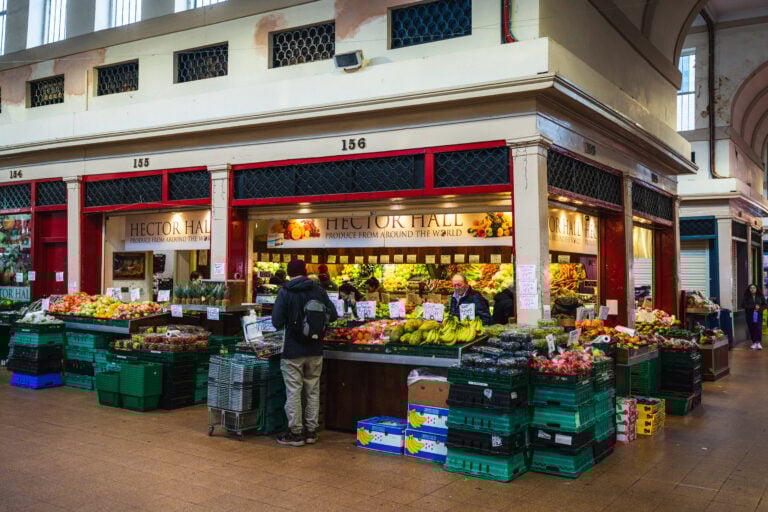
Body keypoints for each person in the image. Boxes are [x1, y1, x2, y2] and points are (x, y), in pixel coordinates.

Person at [271, 259, 338, 446]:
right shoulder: (318, 290)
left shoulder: (285, 292)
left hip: (292, 350)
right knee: (312, 390)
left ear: (288, 273)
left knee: (293, 391)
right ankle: (311, 431)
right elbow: (333, 315)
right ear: (306, 271)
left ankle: (296, 432)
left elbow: (276, 321)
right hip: (315, 349)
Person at [744, 283, 765, 350]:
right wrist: (753, 307)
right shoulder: (746, 296)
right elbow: (744, 305)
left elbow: (765, 305)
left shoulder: (760, 296)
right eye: (751, 288)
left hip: (758, 315)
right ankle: (754, 342)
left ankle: (758, 342)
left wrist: (759, 308)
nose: (752, 289)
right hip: (749, 315)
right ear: (749, 289)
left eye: (754, 288)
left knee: (758, 328)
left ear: (756, 289)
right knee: (752, 328)